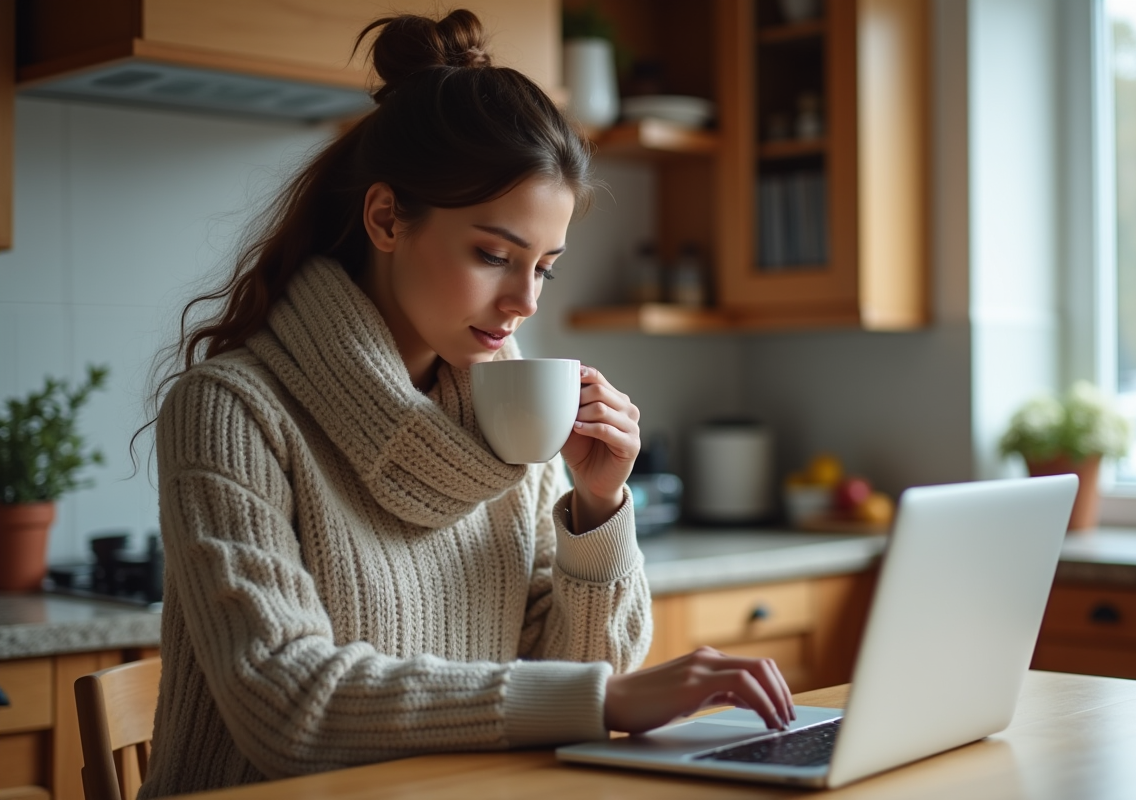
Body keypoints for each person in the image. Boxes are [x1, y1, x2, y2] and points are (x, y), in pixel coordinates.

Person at [138, 10, 794, 798]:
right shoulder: (232, 410)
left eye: (544, 267)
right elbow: (287, 703)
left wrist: (597, 509)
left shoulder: (510, 415)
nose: (522, 300)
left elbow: (572, 691)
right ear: (386, 218)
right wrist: (606, 699)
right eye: (493, 254)